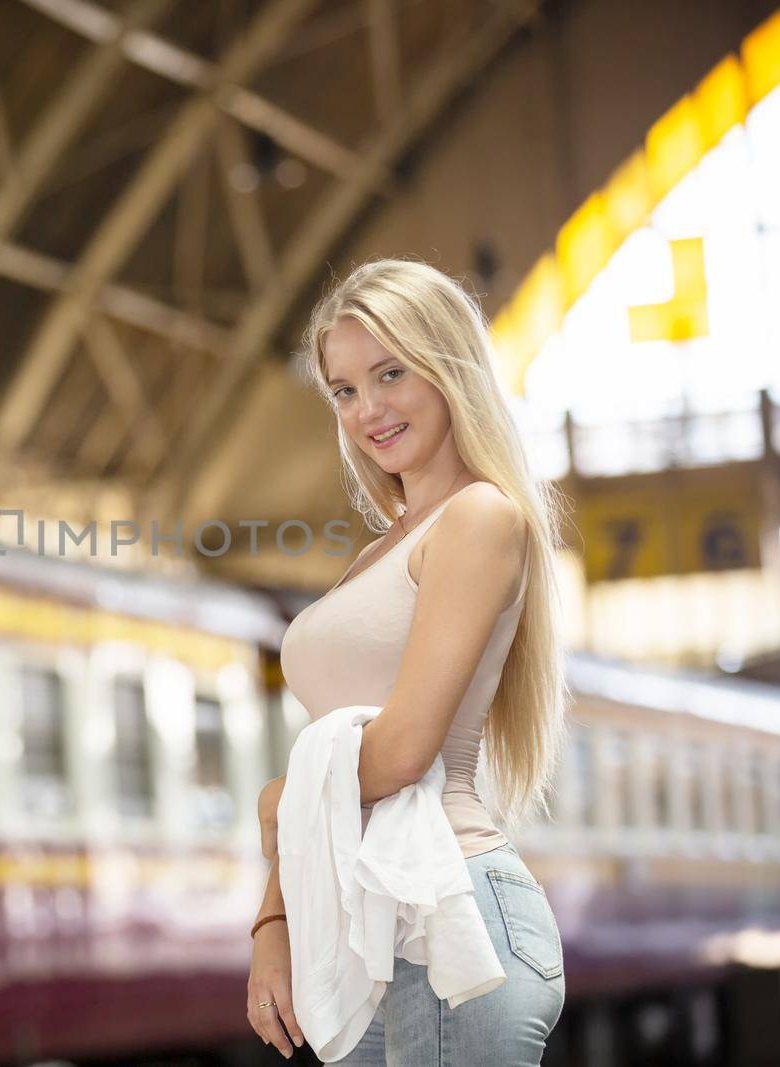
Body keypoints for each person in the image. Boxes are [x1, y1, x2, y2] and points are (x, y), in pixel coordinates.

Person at [246, 258, 572, 1065]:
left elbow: (401, 752)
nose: (369, 410)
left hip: (453, 914)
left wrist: (281, 799)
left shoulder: (480, 518)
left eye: (390, 372)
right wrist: (272, 924)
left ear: (448, 365)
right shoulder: (378, 552)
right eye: (346, 389)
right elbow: (345, 758)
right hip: (365, 926)